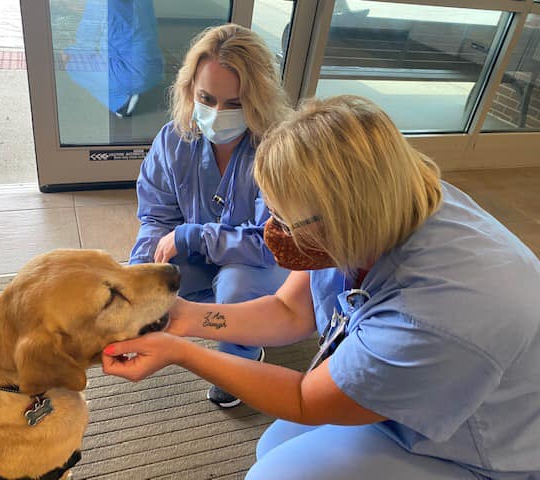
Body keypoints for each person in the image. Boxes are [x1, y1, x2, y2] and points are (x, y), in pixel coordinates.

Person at [103, 95, 540, 479]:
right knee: (270, 448)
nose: (274, 231)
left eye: (285, 220)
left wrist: (182, 352)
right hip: (416, 381)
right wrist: (181, 318)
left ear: (343, 219)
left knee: (272, 476)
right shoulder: (382, 204)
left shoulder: (438, 313)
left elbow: (303, 398)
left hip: (486, 447)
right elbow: (288, 311)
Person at [127, 24, 290, 408]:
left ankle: (240, 359)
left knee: (235, 285)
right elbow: (156, 217)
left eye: (234, 104)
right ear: (189, 90)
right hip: (208, 254)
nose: (217, 113)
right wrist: (139, 279)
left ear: (258, 99)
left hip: (262, 265)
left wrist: (196, 237)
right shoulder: (173, 139)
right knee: (152, 276)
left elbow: (274, 242)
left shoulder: (280, 150)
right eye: (207, 98)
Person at [63, 0, 164, 117]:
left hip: (129, 74)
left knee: (71, 64)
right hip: (156, 67)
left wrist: (68, 51)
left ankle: (121, 103)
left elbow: (86, 44)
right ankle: (128, 88)